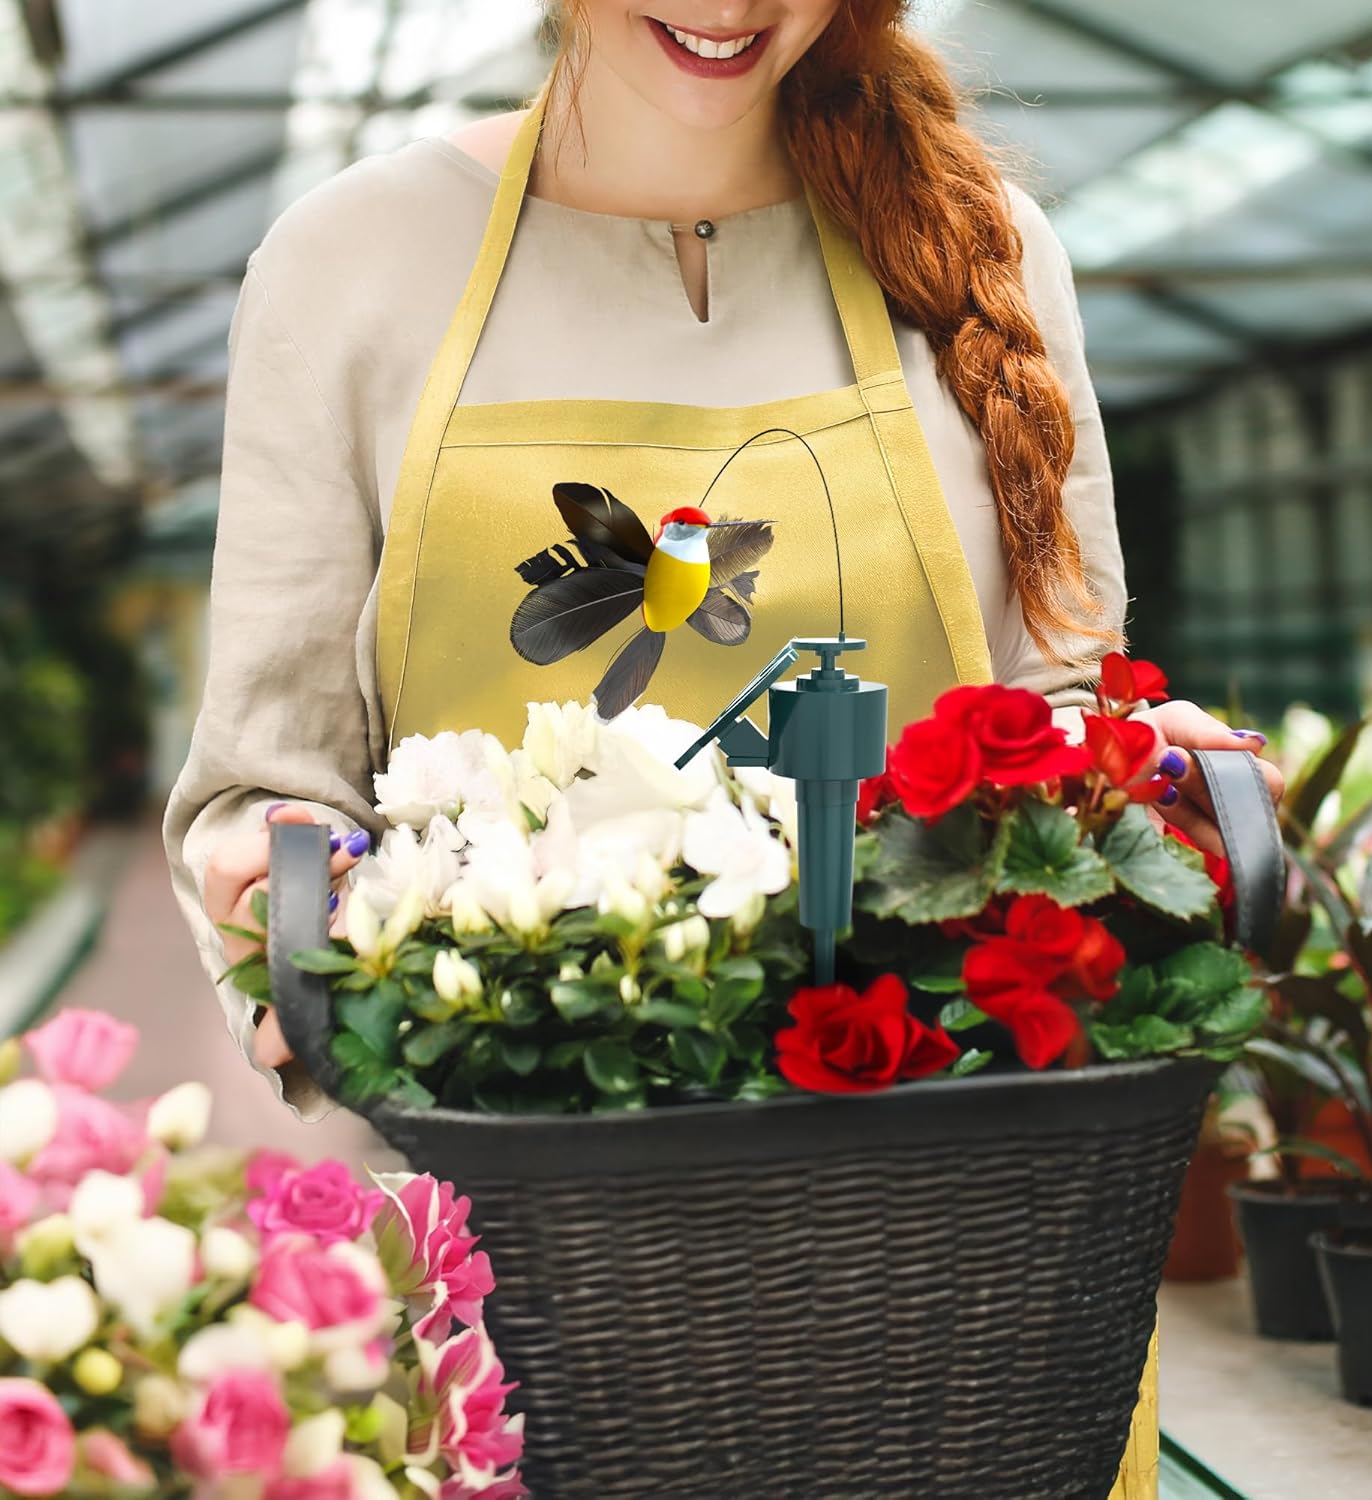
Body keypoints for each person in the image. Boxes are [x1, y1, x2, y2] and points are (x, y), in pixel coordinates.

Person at [163, 0, 1282, 1114]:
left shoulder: (981, 245)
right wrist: (286, 886)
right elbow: (268, 780)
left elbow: (1050, 706)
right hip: (520, 1158)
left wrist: (1138, 780)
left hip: (945, 1144)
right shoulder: (349, 262)